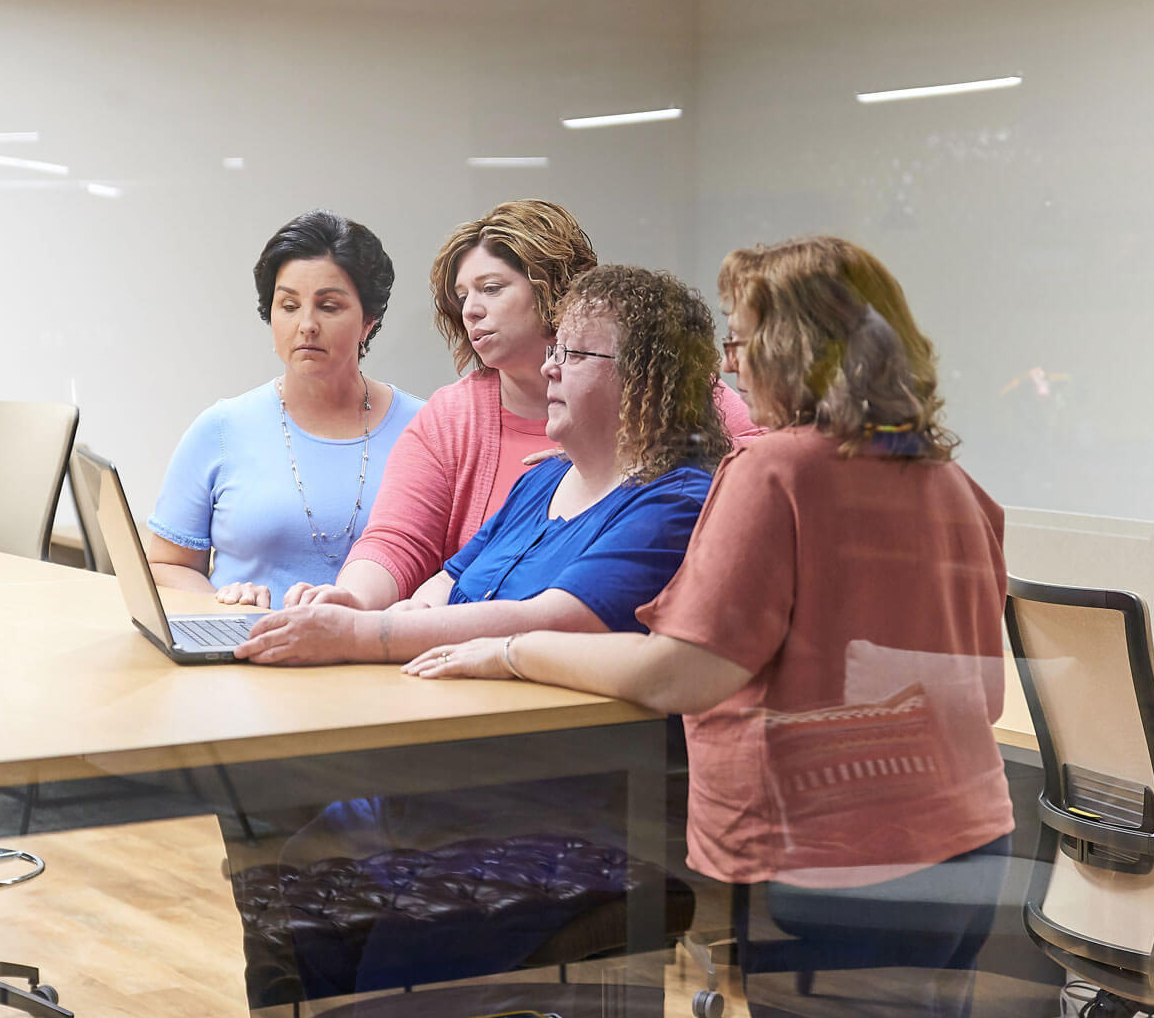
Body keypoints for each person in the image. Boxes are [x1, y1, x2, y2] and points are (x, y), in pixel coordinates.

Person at [408, 237, 1015, 1018]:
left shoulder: (774, 473)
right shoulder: (955, 483)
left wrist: (514, 653)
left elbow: (679, 673)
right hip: (973, 839)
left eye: (741, 338)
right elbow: (986, 692)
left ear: (793, 349)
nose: (730, 364)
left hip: (841, 859)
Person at [232, 264, 730, 664]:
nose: (549, 366)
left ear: (645, 380)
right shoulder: (543, 479)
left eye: (573, 354)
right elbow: (448, 580)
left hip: (531, 767)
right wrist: (389, 611)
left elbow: (554, 619)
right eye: (554, 349)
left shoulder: (675, 501)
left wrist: (365, 633)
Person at [279, 199, 759, 614]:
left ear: (554, 289)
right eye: (462, 296)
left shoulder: (673, 392)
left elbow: (763, 480)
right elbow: (399, 541)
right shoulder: (464, 425)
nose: (470, 310)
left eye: (491, 288)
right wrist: (356, 602)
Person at [145, 210, 425, 607]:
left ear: (368, 322)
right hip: (243, 656)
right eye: (289, 305)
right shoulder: (222, 428)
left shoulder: (425, 429)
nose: (306, 324)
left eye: (329, 307)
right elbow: (167, 565)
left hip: (376, 659)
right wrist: (220, 604)